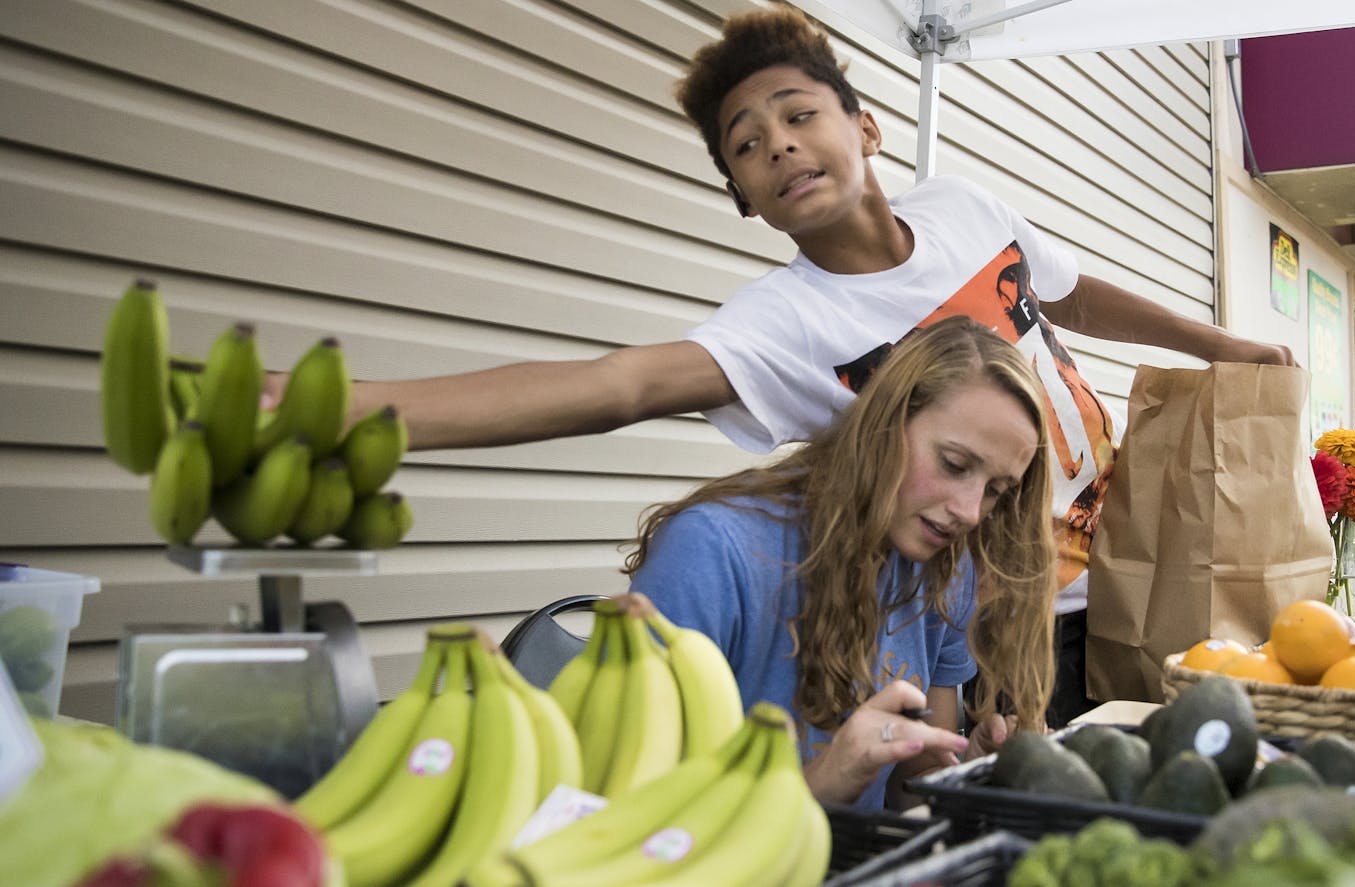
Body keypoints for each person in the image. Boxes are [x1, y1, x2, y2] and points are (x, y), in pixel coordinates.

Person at [270, 7, 1294, 723]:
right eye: (745, 145)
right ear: (744, 198)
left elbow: (1068, 292)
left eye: (798, 114)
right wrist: (354, 409)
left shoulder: (963, 208)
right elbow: (617, 386)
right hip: (981, 624)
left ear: (864, 125)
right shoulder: (787, 323)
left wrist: (1223, 344)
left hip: (1127, 568)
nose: (779, 146)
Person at [624, 316, 1058, 809]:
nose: (969, 511)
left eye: (995, 491)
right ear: (884, 422)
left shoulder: (947, 570)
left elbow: (906, 789)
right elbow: (629, 816)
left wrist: (969, 772)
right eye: (954, 465)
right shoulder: (712, 551)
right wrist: (824, 781)